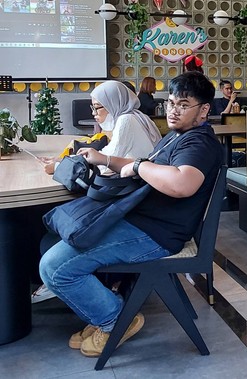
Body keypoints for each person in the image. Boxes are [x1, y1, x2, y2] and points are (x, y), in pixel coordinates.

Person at [39, 71, 223, 357]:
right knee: (56, 242)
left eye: (183, 105)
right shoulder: (177, 136)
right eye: (171, 103)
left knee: (54, 267)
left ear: (204, 110)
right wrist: (106, 159)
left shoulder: (198, 143)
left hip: (155, 233)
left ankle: (114, 319)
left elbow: (182, 183)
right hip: (140, 221)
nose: (173, 111)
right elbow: (146, 163)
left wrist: (138, 168)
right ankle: (102, 313)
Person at [34, 81, 163, 304]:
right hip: (139, 196)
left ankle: (93, 294)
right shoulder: (139, 116)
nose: (94, 114)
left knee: (60, 232)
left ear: (114, 103)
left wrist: (58, 168)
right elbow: (105, 154)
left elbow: (104, 164)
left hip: (131, 205)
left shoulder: (126, 121)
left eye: (98, 108)